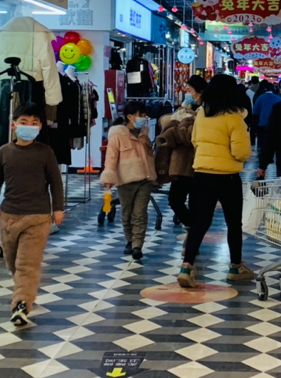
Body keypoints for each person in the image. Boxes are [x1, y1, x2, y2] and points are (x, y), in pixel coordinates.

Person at [0, 102, 64, 327]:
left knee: (27, 264)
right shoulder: (4, 152)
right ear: (14, 125)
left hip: (37, 218)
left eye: (34, 123)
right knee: (13, 263)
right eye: (24, 122)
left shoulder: (45, 153)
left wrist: (58, 208)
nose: (29, 126)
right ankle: (26, 292)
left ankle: (21, 305)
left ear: (40, 127)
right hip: (8, 217)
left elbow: (56, 182)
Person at [179, 74, 255, 288]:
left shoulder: (202, 114)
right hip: (227, 177)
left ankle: (186, 267)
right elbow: (241, 152)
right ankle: (235, 267)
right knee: (233, 223)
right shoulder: (234, 118)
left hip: (201, 174)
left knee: (200, 222)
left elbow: (194, 140)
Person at [101, 101, 157, 261]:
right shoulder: (117, 136)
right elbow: (111, 158)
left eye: (144, 115)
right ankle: (130, 240)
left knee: (140, 213)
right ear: (130, 117)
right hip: (125, 181)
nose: (143, 118)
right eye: (140, 115)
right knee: (127, 213)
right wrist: (109, 176)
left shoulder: (144, 135)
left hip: (144, 180)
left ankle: (137, 245)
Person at [156, 75, 207, 229]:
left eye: (189, 90)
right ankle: (192, 227)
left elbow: (188, 136)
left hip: (199, 163)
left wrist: (176, 129)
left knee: (195, 203)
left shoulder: (205, 112)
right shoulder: (182, 110)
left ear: (199, 92)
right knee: (175, 200)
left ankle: (194, 234)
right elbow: (166, 125)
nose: (187, 93)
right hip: (180, 164)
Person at [252, 81, 281, 152]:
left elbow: (255, 111)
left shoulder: (260, 98)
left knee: (261, 139)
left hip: (262, 122)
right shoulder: (278, 98)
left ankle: (260, 151)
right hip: (274, 124)